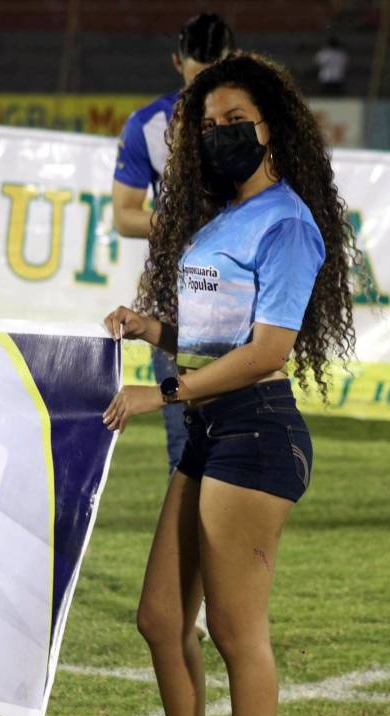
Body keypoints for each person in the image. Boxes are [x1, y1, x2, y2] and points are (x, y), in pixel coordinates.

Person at [102, 52, 356, 716]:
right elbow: (219, 336)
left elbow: (266, 353)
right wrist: (156, 330)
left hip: (253, 431)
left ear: (273, 129)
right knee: (161, 618)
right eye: (205, 127)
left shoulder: (287, 222)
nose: (217, 138)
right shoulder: (219, 220)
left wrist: (161, 393)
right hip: (213, 430)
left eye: (233, 124)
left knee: (238, 635)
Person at [112, 12, 235, 475]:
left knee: (230, 433)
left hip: (238, 296)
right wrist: (187, 222)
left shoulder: (254, 119)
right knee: (186, 442)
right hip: (183, 296)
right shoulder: (149, 125)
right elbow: (124, 216)